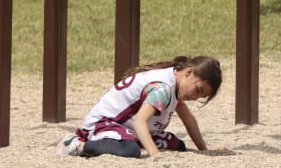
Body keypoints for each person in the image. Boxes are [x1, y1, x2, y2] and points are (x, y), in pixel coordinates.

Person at [56, 55, 221, 158]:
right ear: (189, 72)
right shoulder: (162, 88)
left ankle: (130, 141)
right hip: (104, 123)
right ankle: (77, 144)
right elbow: (139, 122)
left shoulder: (175, 84)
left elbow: (189, 120)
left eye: (202, 96)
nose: (196, 96)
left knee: (178, 145)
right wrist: (154, 155)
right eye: (198, 89)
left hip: (126, 128)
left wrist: (203, 150)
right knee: (130, 151)